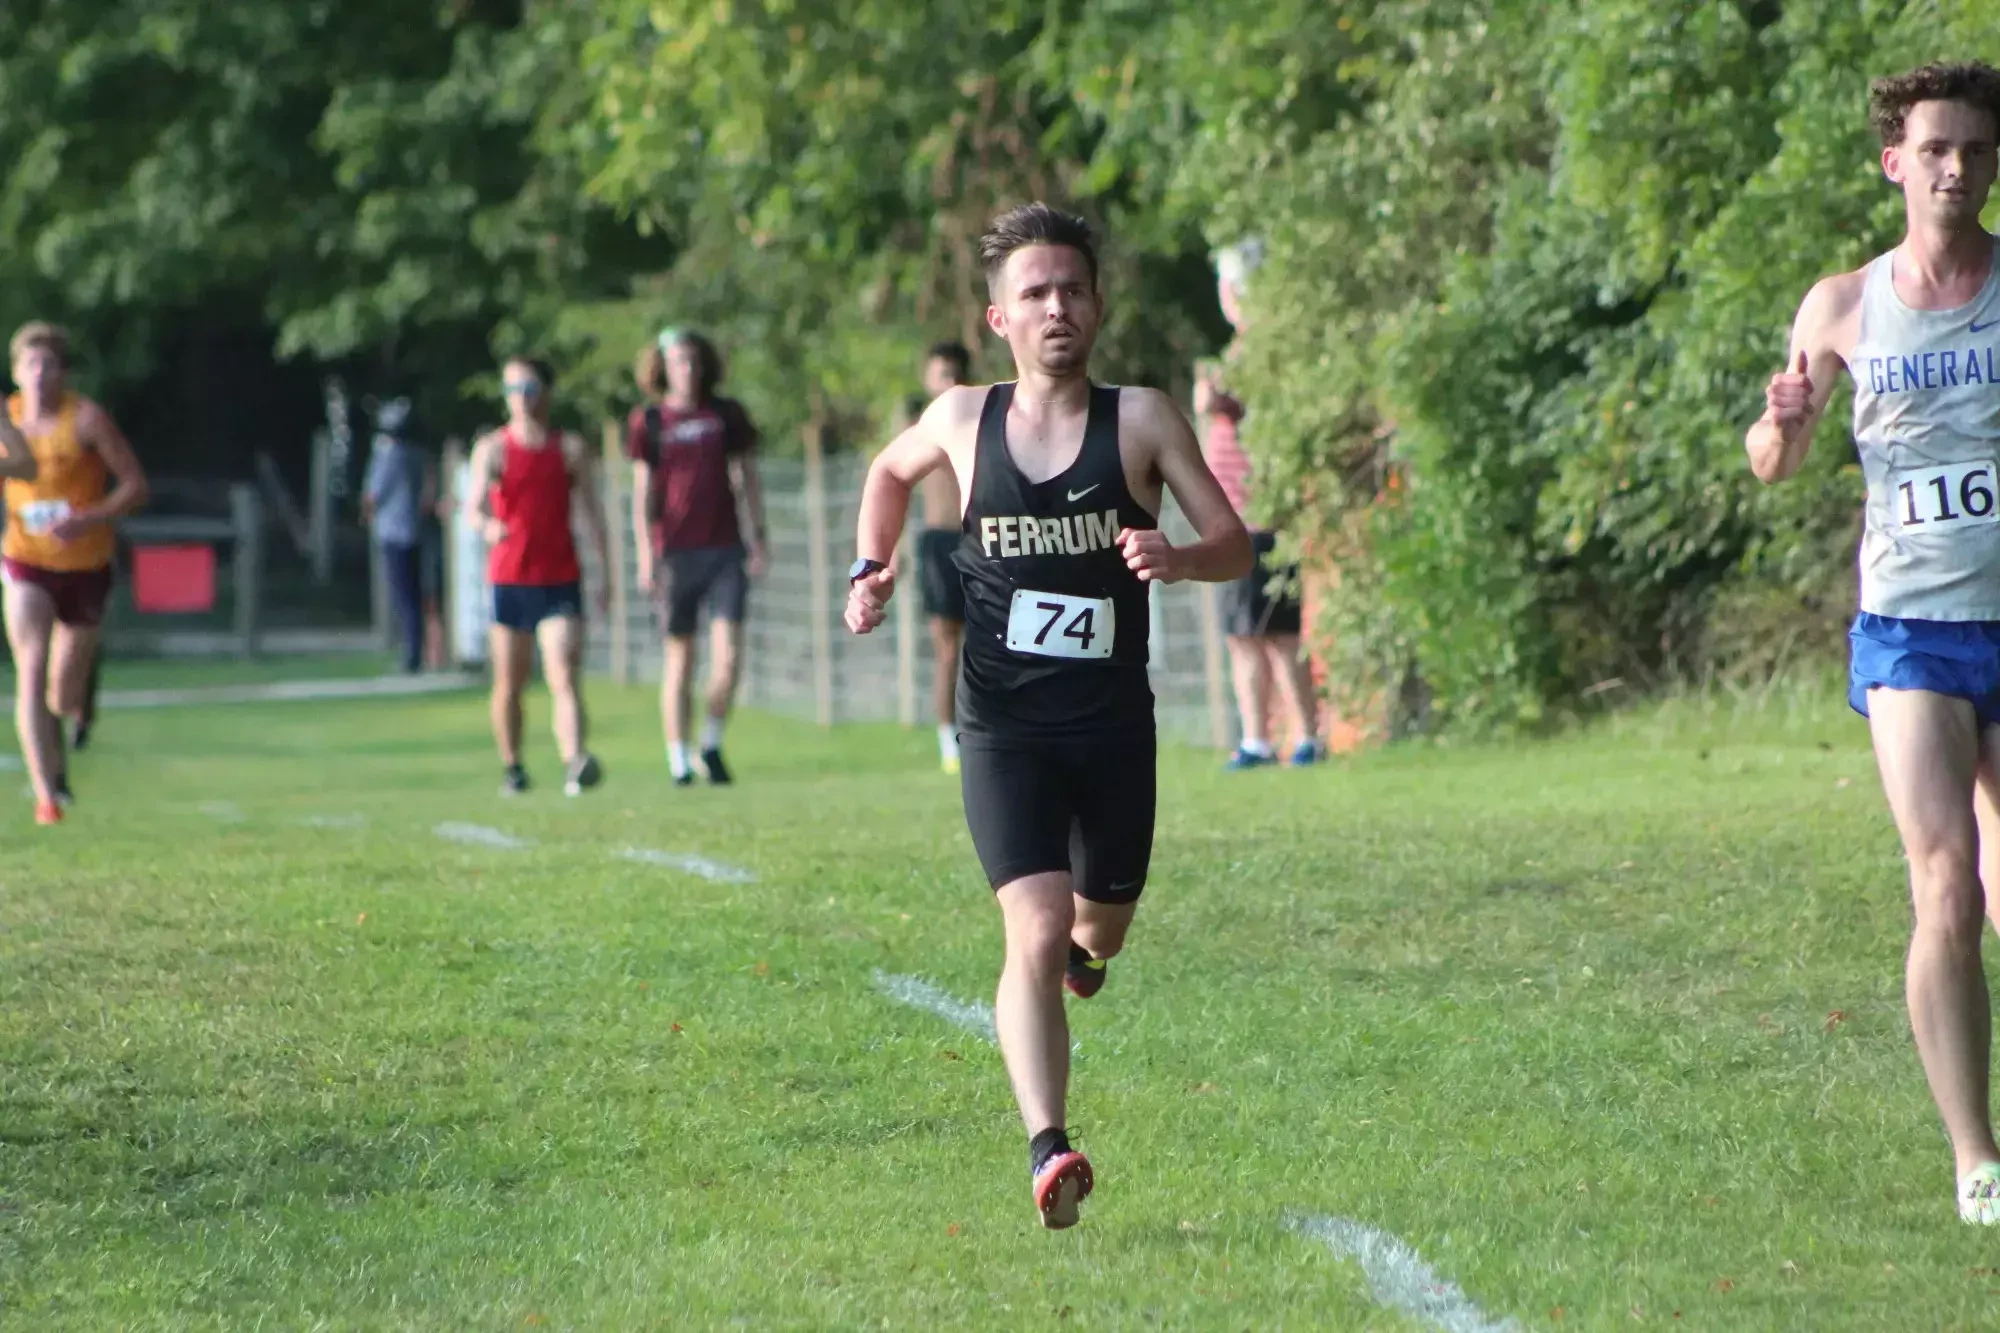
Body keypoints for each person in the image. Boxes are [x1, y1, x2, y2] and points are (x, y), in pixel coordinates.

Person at [846, 203, 1250, 1229]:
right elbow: (887, 472)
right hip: (1003, 729)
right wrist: (869, 565)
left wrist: (1177, 557)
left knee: (1094, 926)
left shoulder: (1143, 419)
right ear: (998, 318)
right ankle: (1048, 1145)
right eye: (1035, 293)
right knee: (1028, 926)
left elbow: (1234, 545)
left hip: (1111, 729)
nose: (1056, 307)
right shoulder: (960, 421)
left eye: (1071, 288)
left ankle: (1086, 951)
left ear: (1097, 305)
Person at [1746, 60, 2000, 1225]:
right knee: (1941, 881)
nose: (1956, 169)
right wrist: (1780, 423)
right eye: (1935, 149)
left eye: (1976, 151)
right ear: (1894, 161)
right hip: (1908, 630)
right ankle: (1973, 1158)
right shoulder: (1841, 304)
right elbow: (1774, 461)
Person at [3, 322, 147, 824]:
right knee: (31, 667)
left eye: (49, 364)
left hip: (85, 562)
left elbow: (134, 485)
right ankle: (48, 795)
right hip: (24, 559)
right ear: (16, 371)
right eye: (30, 365)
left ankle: (82, 693)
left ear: (62, 371)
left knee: (61, 692)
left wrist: (89, 517)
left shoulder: (85, 420)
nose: (39, 374)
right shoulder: (5, 420)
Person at [1195, 241, 1321, 769]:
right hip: (1256, 516)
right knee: (1268, 635)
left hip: (1252, 518)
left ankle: (1265, 740)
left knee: (1254, 638)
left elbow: (1209, 401)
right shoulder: (1270, 353)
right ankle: (1293, 737)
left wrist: (1209, 386)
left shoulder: (1252, 355)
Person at [627, 329, 768, 787]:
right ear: (663, 368)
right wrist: (646, 556)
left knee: (728, 658)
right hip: (675, 553)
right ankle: (678, 759)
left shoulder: (725, 415)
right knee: (680, 661)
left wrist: (758, 537)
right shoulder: (649, 421)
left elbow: (747, 477)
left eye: (692, 360)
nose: (686, 369)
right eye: (677, 361)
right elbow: (642, 494)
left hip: (724, 549)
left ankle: (710, 741)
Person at [464, 356, 608, 798]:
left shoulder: (569, 449)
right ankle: (514, 766)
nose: (520, 399)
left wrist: (606, 573)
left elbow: (592, 513)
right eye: (511, 390)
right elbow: (472, 508)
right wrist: (488, 527)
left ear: (545, 392)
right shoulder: (493, 449)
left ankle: (574, 762)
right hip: (510, 577)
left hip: (559, 576)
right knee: (510, 681)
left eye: (527, 388)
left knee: (563, 670)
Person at [914, 341, 972, 773]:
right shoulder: (919, 427)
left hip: (982, 540)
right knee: (947, 646)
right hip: (938, 544)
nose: (947, 382)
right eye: (940, 374)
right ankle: (946, 737)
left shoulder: (981, 420)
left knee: (993, 644)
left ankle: (989, 729)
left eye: (954, 373)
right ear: (927, 378)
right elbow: (890, 485)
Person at [362, 397, 430, 674]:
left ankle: (411, 654)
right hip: (413, 529)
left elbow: (373, 494)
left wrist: (367, 514)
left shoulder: (388, 455)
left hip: (393, 531)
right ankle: (415, 650)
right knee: (413, 593)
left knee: (403, 595)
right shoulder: (416, 455)